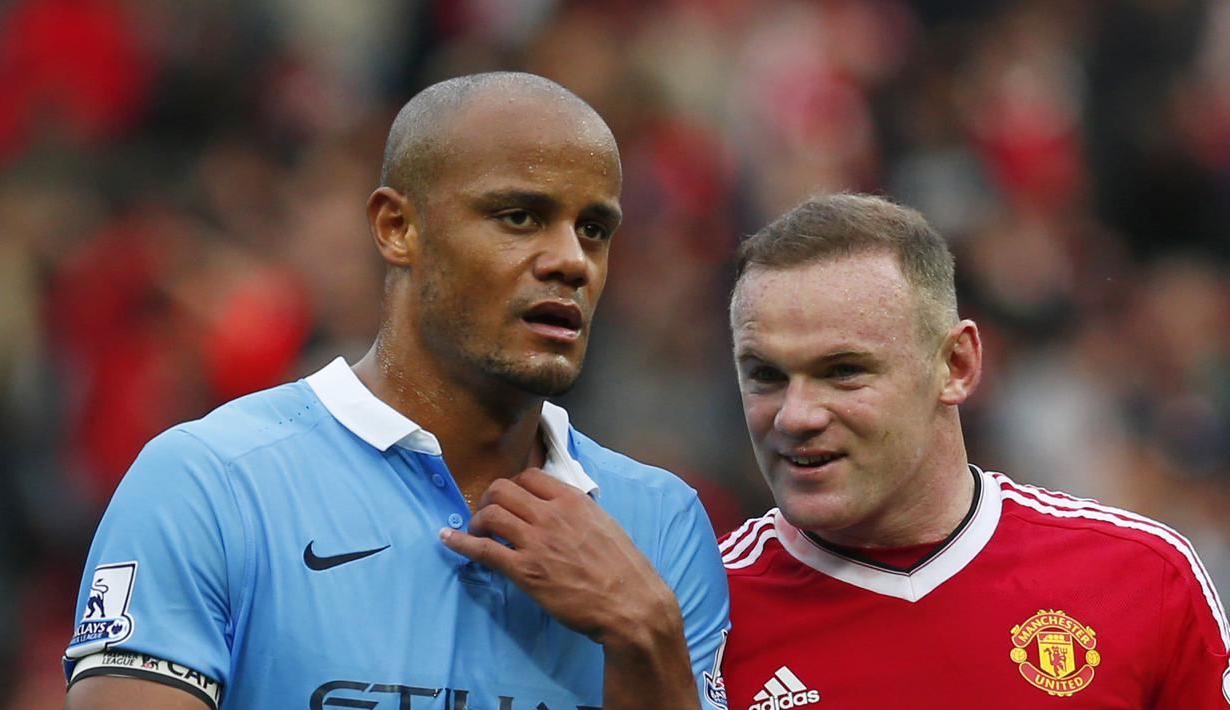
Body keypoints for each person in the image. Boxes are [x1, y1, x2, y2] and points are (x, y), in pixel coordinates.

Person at [63, 72, 730, 710]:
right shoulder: (210, 484)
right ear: (396, 228)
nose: (571, 261)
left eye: (594, 229)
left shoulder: (662, 525)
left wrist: (647, 638)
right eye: (520, 217)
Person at [718, 193, 1230, 709]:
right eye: (765, 375)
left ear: (957, 365)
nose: (795, 416)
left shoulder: (1142, 578)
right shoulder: (702, 615)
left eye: (843, 371)